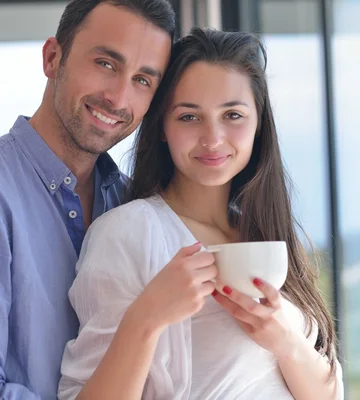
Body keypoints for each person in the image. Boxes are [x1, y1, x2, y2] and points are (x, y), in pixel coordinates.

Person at [58, 27, 344, 399]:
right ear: (162, 127)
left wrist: (287, 341)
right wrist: (147, 318)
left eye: (233, 115)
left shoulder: (262, 234)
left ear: (259, 125)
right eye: (189, 117)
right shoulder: (130, 232)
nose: (212, 139)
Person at [0, 0, 174, 398]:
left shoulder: (138, 207)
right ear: (52, 58)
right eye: (106, 64)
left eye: (143, 81)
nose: (118, 97)